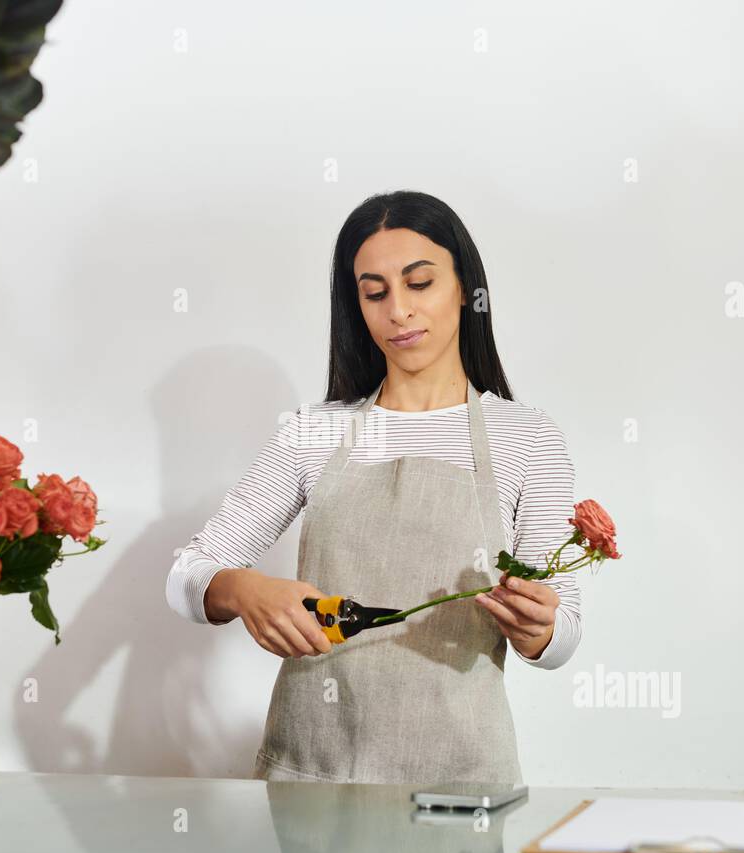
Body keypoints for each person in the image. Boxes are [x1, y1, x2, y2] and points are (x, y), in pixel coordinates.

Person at [165, 190, 583, 785]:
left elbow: (563, 635)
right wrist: (243, 589)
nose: (399, 311)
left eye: (420, 284)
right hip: (312, 774)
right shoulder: (314, 431)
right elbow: (187, 576)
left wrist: (540, 628)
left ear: (465, 288)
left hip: (460, 787)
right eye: (375, 292)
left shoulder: (526, 438)